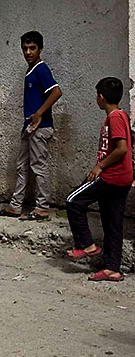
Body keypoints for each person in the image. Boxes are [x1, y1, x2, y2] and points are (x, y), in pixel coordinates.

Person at [66, 78, 132, 282]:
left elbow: (121, 148)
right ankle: (112, 268)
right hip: (123, 178)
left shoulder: (114, 118)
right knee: (112, 223)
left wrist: (100, 166)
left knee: (73, 201)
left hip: (112, 176)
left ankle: (86, 245)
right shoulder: (121, 116)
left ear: (101, 98)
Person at [0, 31, 62, 221]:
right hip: (29, 126)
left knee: (38, 166)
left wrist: (39, 113)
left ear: (40, 49)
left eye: (32, 48)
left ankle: (42, 207)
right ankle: (16, 206)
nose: (28, 52)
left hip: (40, 128)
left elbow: (56, 92)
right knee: (22, 166)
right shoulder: (30, 70)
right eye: (25, 48)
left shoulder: (41, 69)